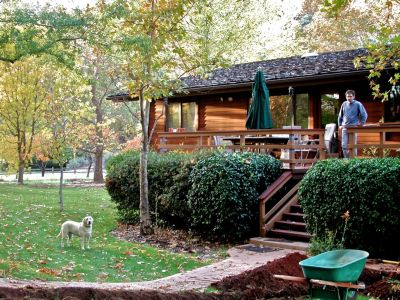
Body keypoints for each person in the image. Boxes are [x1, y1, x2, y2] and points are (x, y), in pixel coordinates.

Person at [338, 90, 368, 158]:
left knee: (353, 145)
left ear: (354, 96)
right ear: (346, 97)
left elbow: (364, 114)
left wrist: (361, 123)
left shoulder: (358, 104)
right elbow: (340, 116)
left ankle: (353, 160)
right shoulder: (344, 104)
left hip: (353, 127)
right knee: (343, 145)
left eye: (350, 96)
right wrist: (340, 125)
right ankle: (347, 160)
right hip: (345, 127)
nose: (349, 98)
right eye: (348, 96)